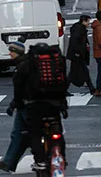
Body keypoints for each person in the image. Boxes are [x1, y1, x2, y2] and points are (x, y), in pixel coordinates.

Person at [13, 42, 68, 171]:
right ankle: (61, 157)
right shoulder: (56, 63)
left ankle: (40, 160)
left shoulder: (27, 64)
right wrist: (63, 104)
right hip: (55, 104)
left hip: (35, 105)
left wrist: (18, 103)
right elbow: (64, 83)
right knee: (57, 132)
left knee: (35, 133)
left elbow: (18, 87)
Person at [0, 42, 30, 173]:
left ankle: (47, 157)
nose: (9, 53)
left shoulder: (22, 67)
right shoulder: (23, 65)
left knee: (28, 134)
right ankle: (8, 163)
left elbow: (20, 90)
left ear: (17, 53)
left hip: (25, 105)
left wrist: (14, 104)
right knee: (17, 134)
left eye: (12, 51)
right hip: (22, 105)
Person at [66, 15, 96, 95]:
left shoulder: (79, 28)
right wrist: (77, 52)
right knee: (79, 72)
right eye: (88, 21)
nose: (88, 23)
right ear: (84, 21)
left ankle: (91, 88)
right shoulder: (79, 29)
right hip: (77, 55)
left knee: (74, 72)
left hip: (78, 54)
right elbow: (75, 42)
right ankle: (91, 88)